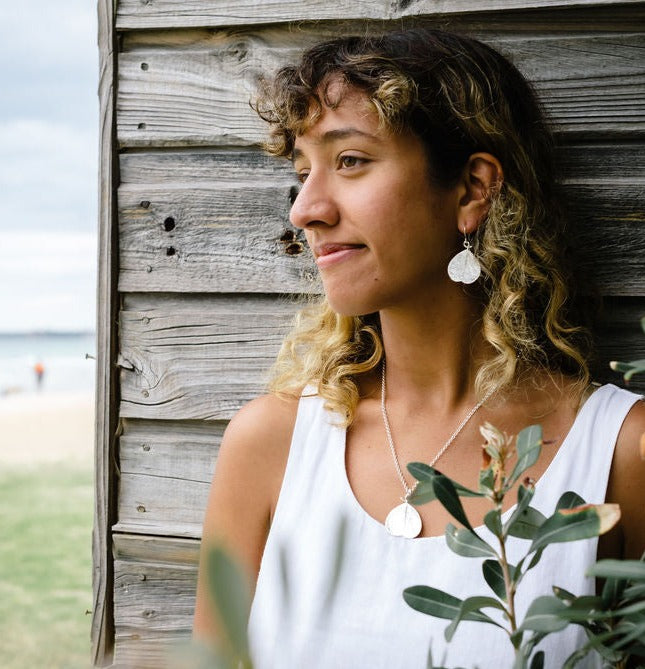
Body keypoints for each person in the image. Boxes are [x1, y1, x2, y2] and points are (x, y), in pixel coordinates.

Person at [193, 29, 645, 667]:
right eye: (302, 172)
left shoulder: (622, 452)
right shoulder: (269, 442)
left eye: (349, 160)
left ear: (470, 190)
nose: (305, 209)